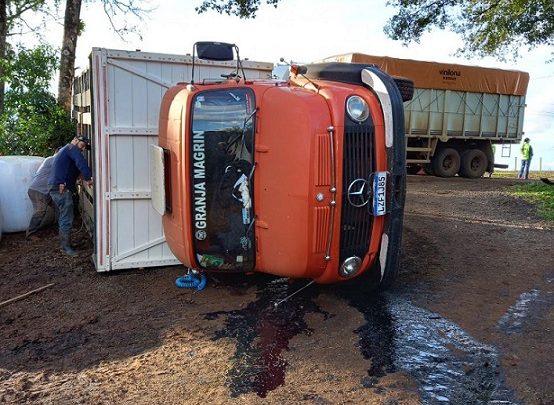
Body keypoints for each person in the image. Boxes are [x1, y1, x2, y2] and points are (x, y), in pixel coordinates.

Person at [48, 136, 93, 256]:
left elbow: (73, 168)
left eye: (84, 147)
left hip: (58, 186)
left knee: (65, 216)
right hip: (61, 187)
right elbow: (81, 162)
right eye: (82, 145)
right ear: (76, 140)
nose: (82, 149)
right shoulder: (71, 148)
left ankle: (66, 245)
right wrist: (89, 178)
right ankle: (66, 248)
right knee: (66, 218)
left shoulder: (65, 150)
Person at [26, 148, 60, 238]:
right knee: (40, 212)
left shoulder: (50, 160)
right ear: (58, 153)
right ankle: (30, 234)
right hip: (39, 190)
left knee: (58, 206)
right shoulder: (52, 159)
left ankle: (59, 229)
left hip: (44, 191)